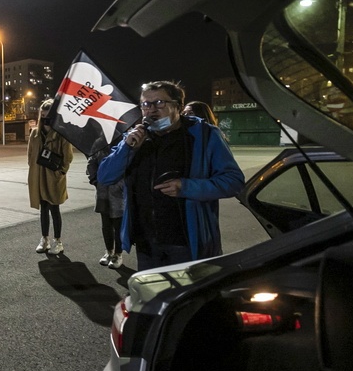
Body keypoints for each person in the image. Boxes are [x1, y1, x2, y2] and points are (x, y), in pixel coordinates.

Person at [98, 80, 244, 271]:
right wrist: (127, 148)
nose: (151, 110)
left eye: (160, 103)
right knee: (154, 297)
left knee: (190, 297)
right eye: (145, 104)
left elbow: (234, 181)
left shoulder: (205, 135)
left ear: (179, 106)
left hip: (186, 243)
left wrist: (186, 187)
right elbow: (105, 176)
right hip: (146, 244)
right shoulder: (137, 137)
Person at [27, 100, 74, 255]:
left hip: (54, 178)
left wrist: (59, 173)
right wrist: (35, 171)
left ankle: (58, 241)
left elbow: (67, 157)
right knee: (43, 209)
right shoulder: (35, 133)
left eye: (49, 114)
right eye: (43, 114)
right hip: (39, 177)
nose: (45, 117)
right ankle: (44, 239)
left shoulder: (61, 133)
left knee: (55, 209)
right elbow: (30, 156)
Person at [87, 134, 125, 268]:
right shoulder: (99, 142)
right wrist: (94, 180)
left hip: (118, 191)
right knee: (106, 223)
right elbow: (91, 162)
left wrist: (122, 184)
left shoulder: (124, 141)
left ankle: (118, 254)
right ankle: (109, 251)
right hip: (102, 190)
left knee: (118, 224)